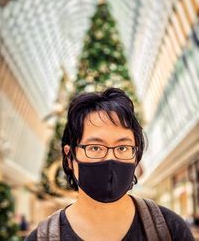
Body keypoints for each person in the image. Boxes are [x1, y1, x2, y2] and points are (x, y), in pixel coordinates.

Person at [25, 87, 194, 241]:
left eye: (122, 147)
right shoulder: (42, 238)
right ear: (70, 157)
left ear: (137, 155)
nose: (110, 159)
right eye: (95, 147)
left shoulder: (170, 229)